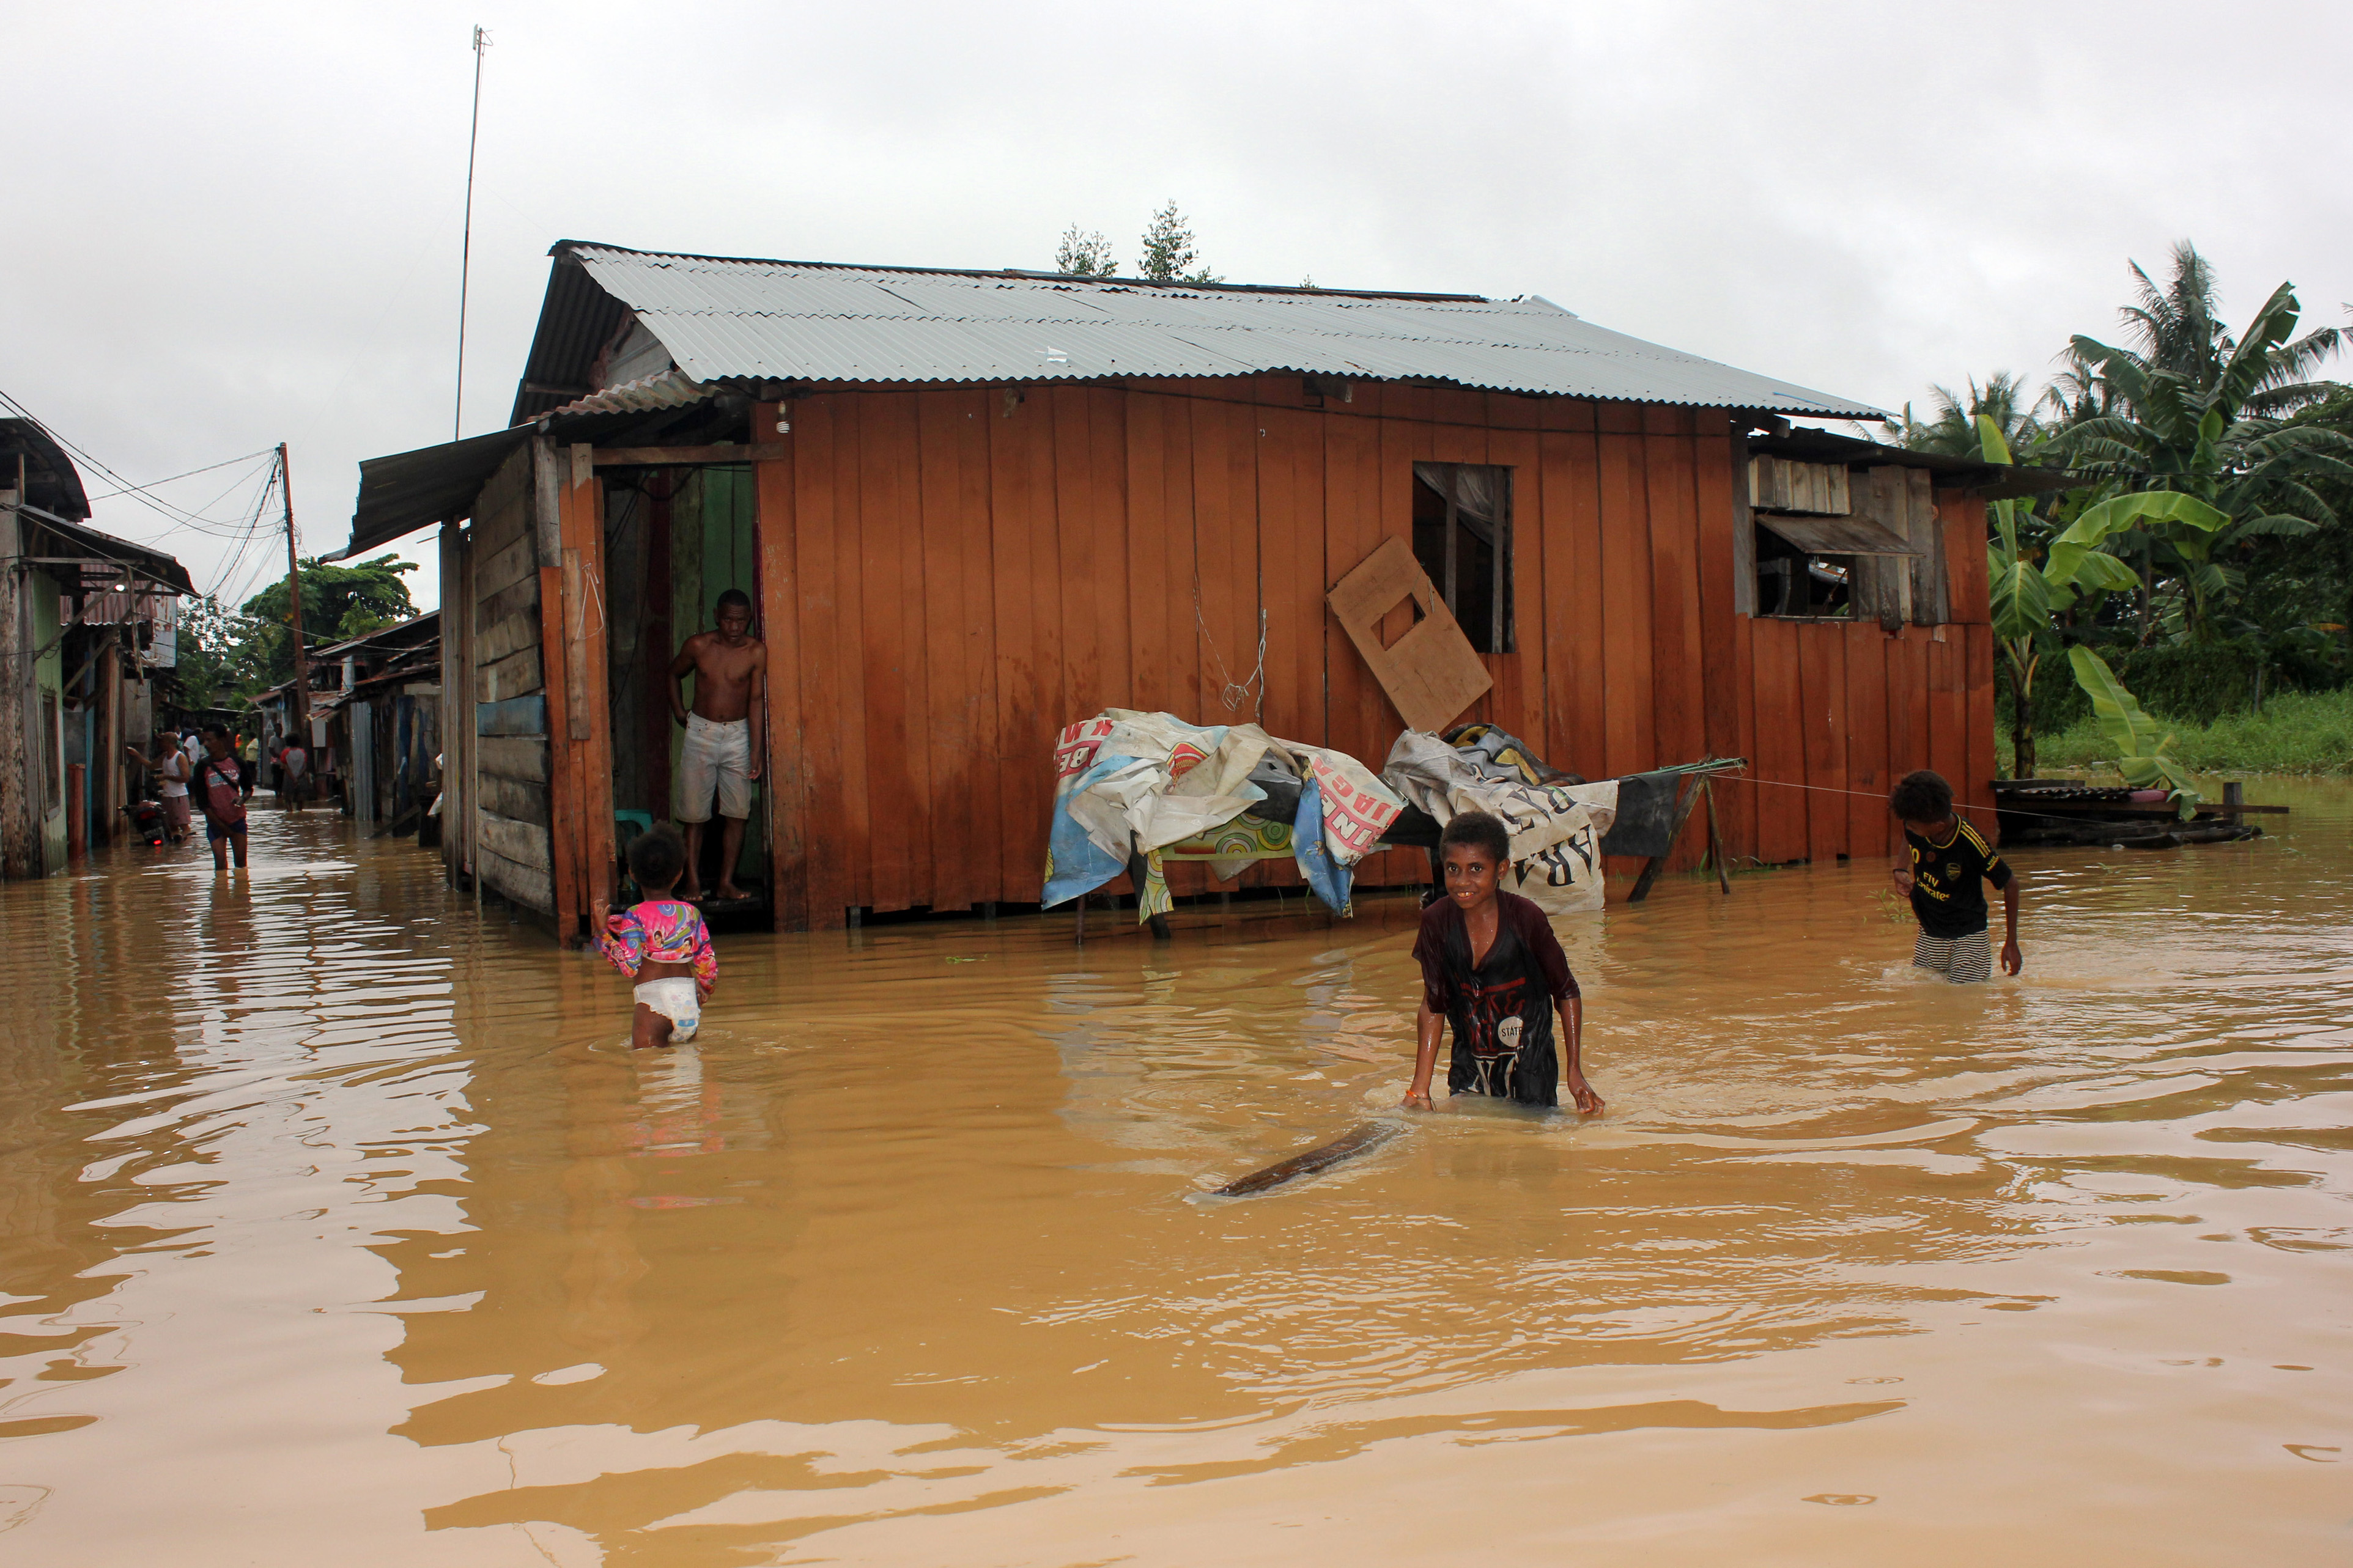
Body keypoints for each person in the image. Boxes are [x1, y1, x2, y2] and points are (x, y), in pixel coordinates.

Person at [1403, 810, 1603, 1115]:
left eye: (1476, 869)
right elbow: (1434, 1003)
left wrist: (1574, 1071)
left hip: (1531, 1068)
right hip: (1469, 1068)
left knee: (1529, 1149)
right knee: (1469, 1149)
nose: (1462, 881)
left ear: (1501, 869)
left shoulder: (1527, 918)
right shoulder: (1436, 922)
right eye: (1453, 869)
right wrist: (1420, 1088)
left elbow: (1565, 991)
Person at [667, 587, 766, 901]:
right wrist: (680, 712)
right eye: (728, 620)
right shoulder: (698, 645)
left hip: (738, 735)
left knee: (737, 812)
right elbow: (672, 674)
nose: (735, 628)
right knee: (694, 815)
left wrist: (755, 751)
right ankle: (693, 883)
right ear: (717, 617)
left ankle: (725, 882)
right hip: (701, 733)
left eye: (741, 621)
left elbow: (755, 700)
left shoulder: (755, 652)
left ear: (749, 619)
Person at [1889, 769, 2022, 982]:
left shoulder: (1970, 842)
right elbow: (1909, 836)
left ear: (1938, 826)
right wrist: (1900, 869)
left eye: (1913, 826)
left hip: (1967, 939)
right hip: (1929, 934)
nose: (1908, 829)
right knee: (1927, 1003)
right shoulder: (1917, 824)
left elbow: (2011, 884)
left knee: (1965, 1005)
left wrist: (2011, 943)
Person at [597, 826, 718, 1048]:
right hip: (689, 1003)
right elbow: (707, 960)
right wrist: (705, 988)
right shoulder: (692, 913)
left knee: (649, 1071)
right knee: (688, 1074)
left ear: (632, 874)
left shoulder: (635, 915)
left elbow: (629, 966)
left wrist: (602, 934)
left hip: (653, 1004)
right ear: (679, 874)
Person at [196, 727, 249, 870]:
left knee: (241, 865)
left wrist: (242, 799)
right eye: (205, 740)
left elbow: (248, 789)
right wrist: (221, 826)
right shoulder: (202, 767)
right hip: (215, 823)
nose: (206, 744)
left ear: (221, 741)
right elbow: (202, 803)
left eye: (210, 740)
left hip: (237, 821)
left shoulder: (237, 762)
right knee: (220, 864)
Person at [126, 731, 192, 845]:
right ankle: (176, 854)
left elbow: (186, 778)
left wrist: (166, 776)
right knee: (171, 827)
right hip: (166, 796)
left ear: (169, 743)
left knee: (184, 827)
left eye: (162, 741)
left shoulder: (180, 757)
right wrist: (137, 755)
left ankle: (185, 850)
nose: (160, 744)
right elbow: (151, 766)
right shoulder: (164, 756)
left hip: (179, 796)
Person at [279, 738, 309, 812]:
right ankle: (299, 817)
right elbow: (305, 766)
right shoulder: (303, 752)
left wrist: (293, 778)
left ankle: (290, 815)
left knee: (287, 799)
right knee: (300, 800)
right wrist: (298, 777)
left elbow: (285, 767)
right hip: (301, 778)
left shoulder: (285, 752)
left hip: (289, 778)